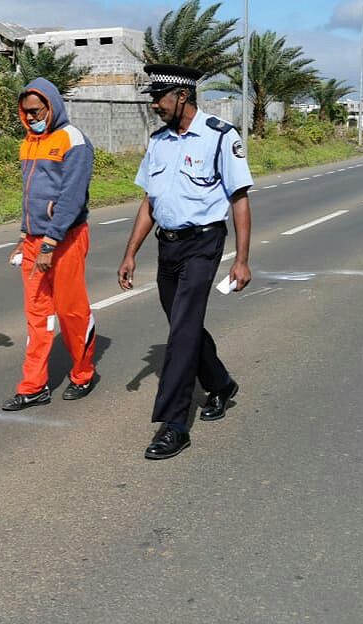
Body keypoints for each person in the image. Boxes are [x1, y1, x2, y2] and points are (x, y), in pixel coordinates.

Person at [117, 64, 253, 460]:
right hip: (168, 246)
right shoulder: (159, 141)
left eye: (160, 98)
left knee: (182, 330)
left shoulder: (220, 137)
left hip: (204, 244)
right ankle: (221, 384)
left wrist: (241, 260)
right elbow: (150, 202)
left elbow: (239, 199)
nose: (155, 105)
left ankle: (174, 423)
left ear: (182, 97)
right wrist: (130, 253)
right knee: (183, 325)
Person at [1, 77, 97, 411]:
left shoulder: (73, 141)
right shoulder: (29, 142)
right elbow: (32, 198)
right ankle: (33, 386)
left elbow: (71, 198)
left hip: (65, 240)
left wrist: (49, 244)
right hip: (34, 240)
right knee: (36, 316)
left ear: (51, 105)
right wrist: (25, 237)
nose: (30, 117)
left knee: (71, 312)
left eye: (36, 111)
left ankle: (83, 374)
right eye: (25, 112)